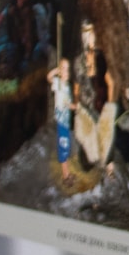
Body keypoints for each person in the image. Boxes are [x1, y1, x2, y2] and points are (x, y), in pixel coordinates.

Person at [71, 19, 117, 169]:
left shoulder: (100, 57)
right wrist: (77, 106)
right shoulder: (78, 61)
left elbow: (109, 81)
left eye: (92, 32)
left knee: (106, 138)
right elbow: (77, 88)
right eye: (88, 33)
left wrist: (110, 104)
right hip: (86, 108)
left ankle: (108, 159)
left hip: (100, 105)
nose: (92, 36)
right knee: (87, 160)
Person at [50, 55, 74, 183]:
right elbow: (48, 77)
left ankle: (68, 172)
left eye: (68, 69)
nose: (66, 72)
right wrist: (55, 71)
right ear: (60, 71)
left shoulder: (67, 86)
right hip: (61, 121)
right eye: (63, 69)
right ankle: (65, 177)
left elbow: (68, 103)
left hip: (66, 120)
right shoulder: (58, 83)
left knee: (66, 146)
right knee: (63, 147)